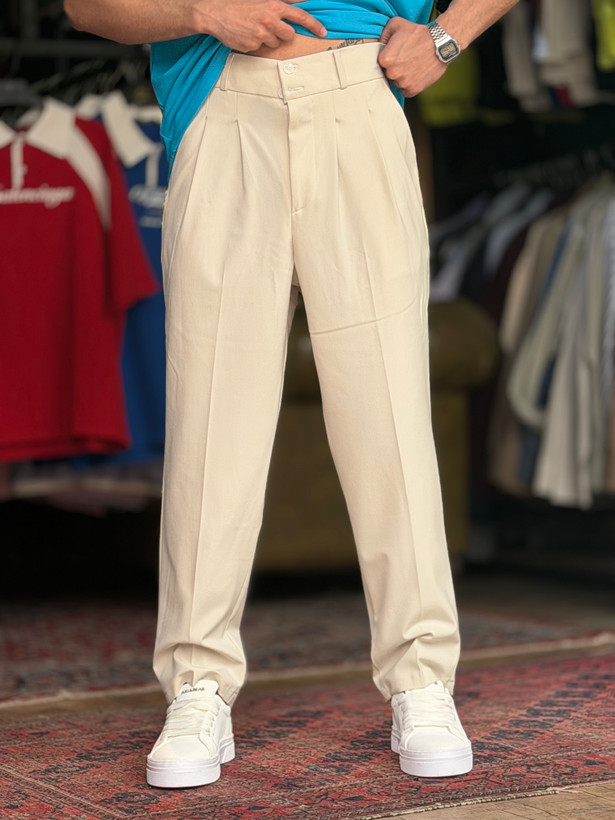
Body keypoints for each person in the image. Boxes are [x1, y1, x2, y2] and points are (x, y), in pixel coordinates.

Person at [64, 0, 519, 790]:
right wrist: (199, 10)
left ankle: (420, 680)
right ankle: (198, 685)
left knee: (388, 419)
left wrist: (450, 36)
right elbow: (86, 6)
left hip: (359, 94)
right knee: (212, 423)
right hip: (220, 106)